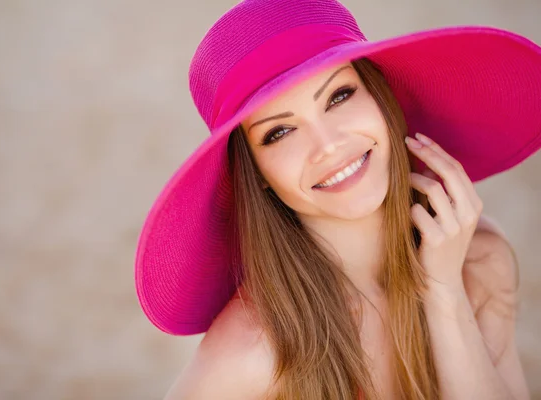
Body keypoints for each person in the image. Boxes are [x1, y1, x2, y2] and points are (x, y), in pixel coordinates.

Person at [135, 1, 541, 398]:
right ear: (256, 175)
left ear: (382, 98)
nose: (328, 147)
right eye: (279, 133)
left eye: (339, 96)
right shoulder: (255, 351)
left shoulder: (481, 264)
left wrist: (444, 293)